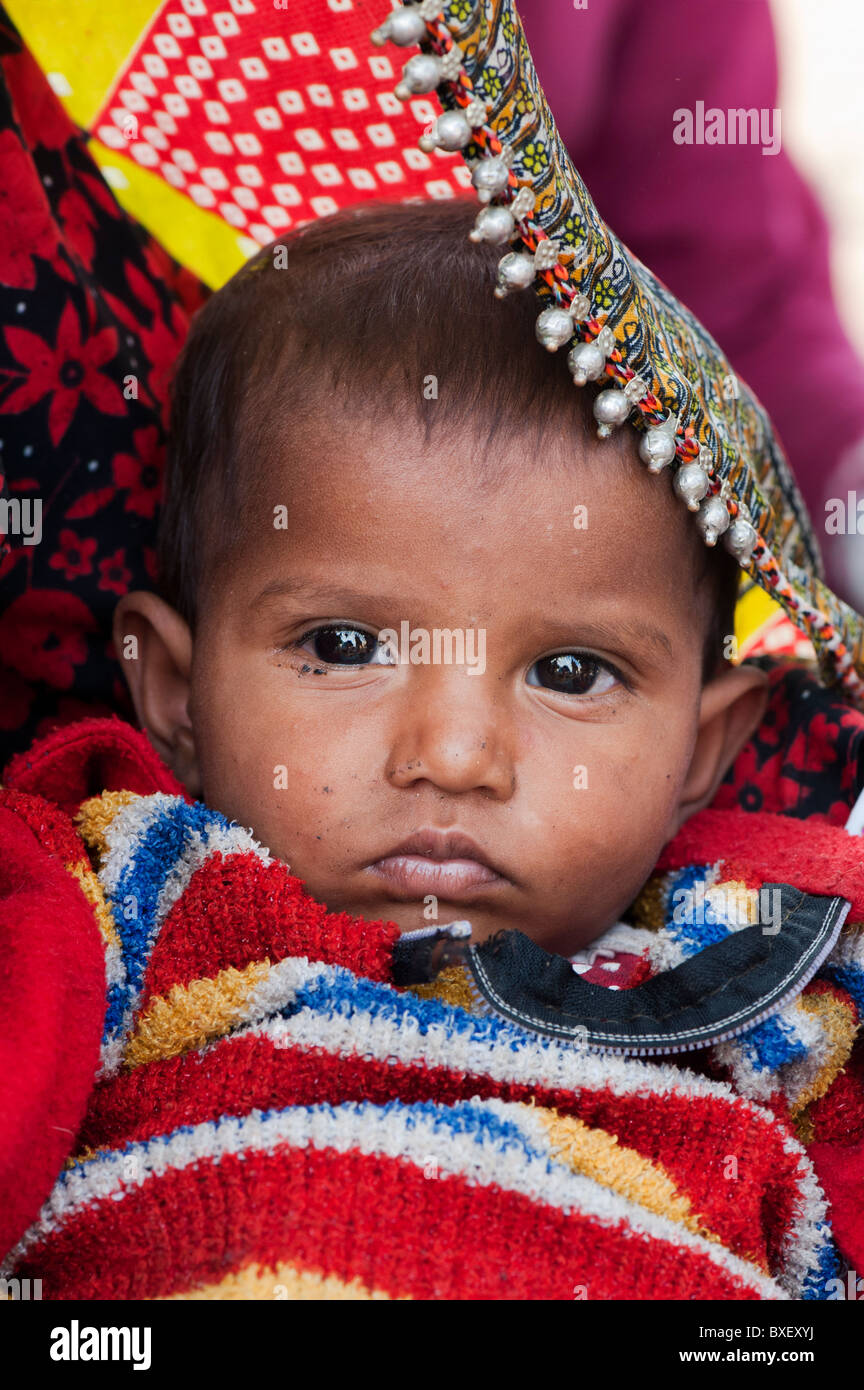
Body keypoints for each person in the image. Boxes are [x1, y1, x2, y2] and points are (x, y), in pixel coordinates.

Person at [1, 0, 863, 1301]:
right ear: (172, 686)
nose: (455, 754)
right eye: (343, 644)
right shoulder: (107, 901)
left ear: (705, 740)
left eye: (571, 672)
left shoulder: (777, 960)